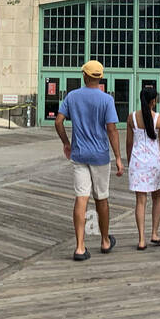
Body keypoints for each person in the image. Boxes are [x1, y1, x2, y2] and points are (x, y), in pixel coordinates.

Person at [54, 60, 123, 261]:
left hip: (79, 154)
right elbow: (111, 129)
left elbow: (58, 121)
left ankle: (80, 247)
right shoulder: (106, 100)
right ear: (100, 78)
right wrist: (118, 156)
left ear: (85, 76)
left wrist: (66, 143)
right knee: (102, 197)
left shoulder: (72, 96)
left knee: (81, 198)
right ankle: (104, 240)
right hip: (100, 155)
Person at [126, 84, 160, 250]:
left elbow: (129, 143)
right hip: (154, 162)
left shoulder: (131, 118)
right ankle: (154, 233)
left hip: (137, 162)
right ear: (154, 101)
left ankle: (141, 239)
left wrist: (130, 161)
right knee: (157, 197)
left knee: (140, 201)